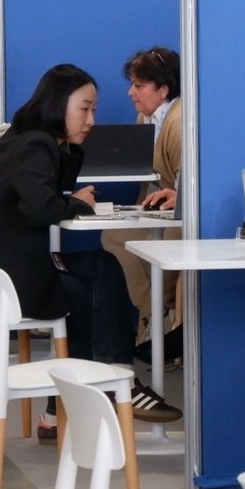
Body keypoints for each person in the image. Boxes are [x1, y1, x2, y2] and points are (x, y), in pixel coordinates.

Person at [0, 63, 182, 423]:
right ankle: (116, 379)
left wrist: (71, 154)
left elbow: (48, 193)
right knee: (95, 280)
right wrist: (81, 202)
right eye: (85, 108)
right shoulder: (35, 144)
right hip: (6, 276)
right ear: (58, 105)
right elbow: (42, 207)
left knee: (93, 279)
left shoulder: (27, 138)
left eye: (94, 110)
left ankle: (64, 409)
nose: (91, 119)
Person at [103, 47, 183, 359]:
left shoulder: (178, 122)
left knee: (141, 245)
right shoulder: (146, 117)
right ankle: (154, 312)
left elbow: (188, 186)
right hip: (162, 210)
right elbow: (147, 176)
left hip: (185, 216)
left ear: (163, 89)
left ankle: (154, 316)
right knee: (113, 237)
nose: (130, 93)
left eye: (138, 86)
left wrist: (175, 197)